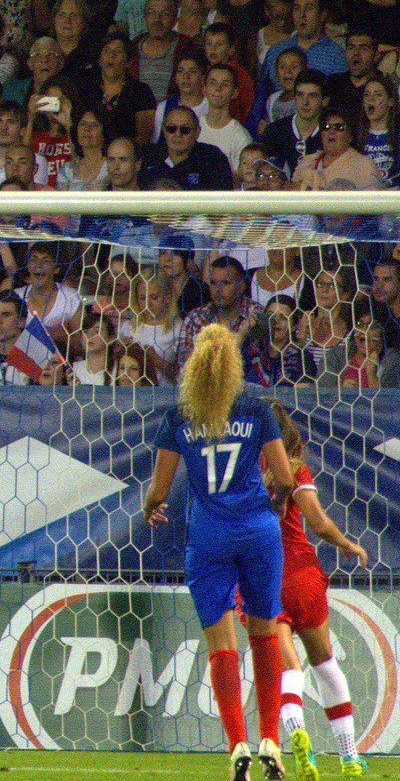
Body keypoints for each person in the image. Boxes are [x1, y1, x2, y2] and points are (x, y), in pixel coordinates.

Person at [141, 324, 296, 781]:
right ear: (233, 363)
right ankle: (271, 738)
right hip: (258, 532)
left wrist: (152, 509)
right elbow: (284, 477)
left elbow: (160, 488)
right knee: (265, 632)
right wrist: (278, 502)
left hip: (208, 537)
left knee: (221, 643)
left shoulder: (179, 416)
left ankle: (237, 747)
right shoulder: (255, 407)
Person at [266, 410, 370, 779]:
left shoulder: (242, 473)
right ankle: (349, 755)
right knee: (324, 663)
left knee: (287, 667)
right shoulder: (293, 469)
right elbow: (317, 521)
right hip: (299, 573)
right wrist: (346, 543)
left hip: (260, 575)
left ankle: (297, 732)